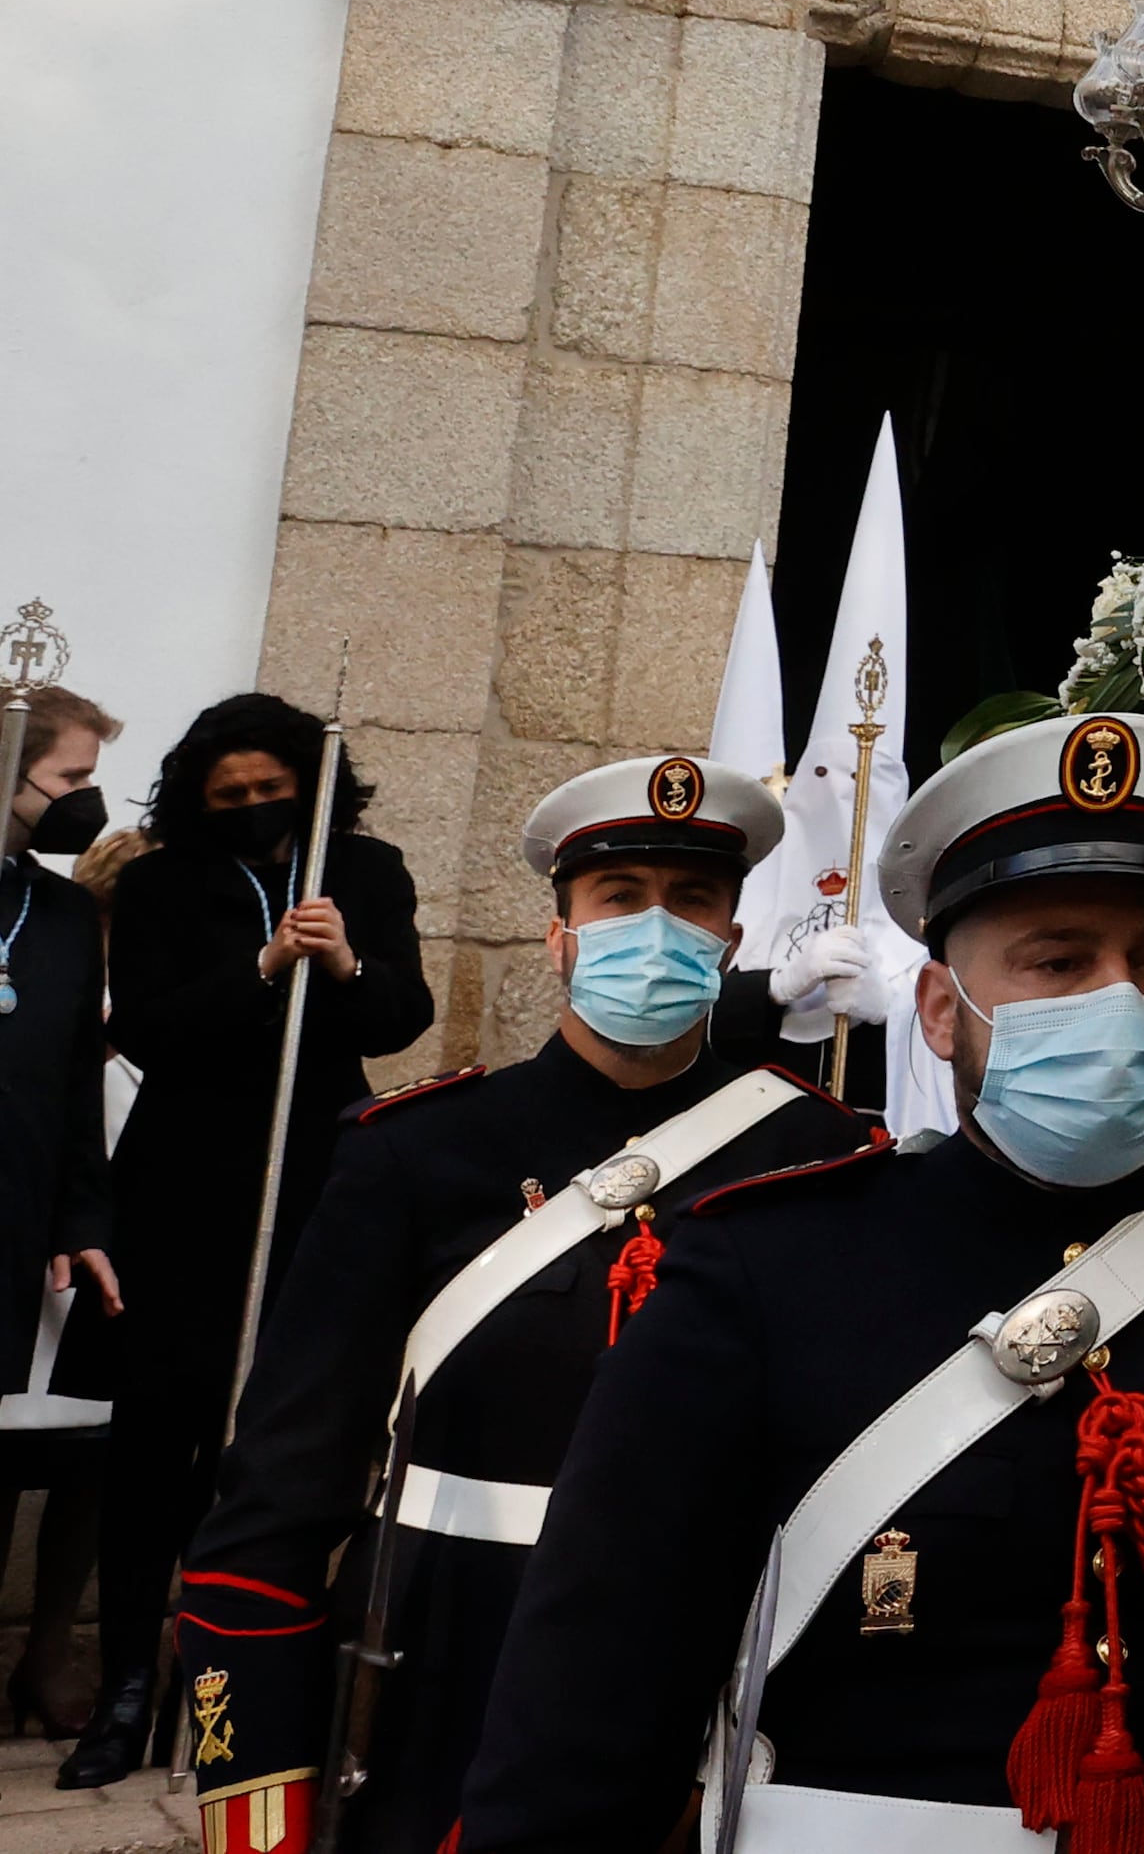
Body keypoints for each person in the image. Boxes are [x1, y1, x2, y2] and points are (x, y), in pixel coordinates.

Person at [456, 711, 1144, 1854]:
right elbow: (592, 1698)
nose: (1119, 999)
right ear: (944, 1011)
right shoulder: (765, 1266)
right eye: (1058, 961)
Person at [166, 753, 873, 1853]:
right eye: (620, 899)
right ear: (561, 939)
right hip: (441, 1657)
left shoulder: (819, 1158)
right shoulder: (418, 1151)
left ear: (731, 944)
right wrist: (259, 1802)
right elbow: (278, 1494)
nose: (658, 927)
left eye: (692, 901)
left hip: (701, 1666)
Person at [62, 705, 432, 1790]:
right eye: (228, 797)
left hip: (319, 1183)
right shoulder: (167, 883)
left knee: (289, 1436)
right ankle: (131, 1683)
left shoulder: (365, 869)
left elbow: (399, 1013)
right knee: (153, 1446)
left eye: (271, 788)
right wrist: (265, 966)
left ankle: (253, 1678)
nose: (253, 810)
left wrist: (347, 965)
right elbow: (146, 1028)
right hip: (185, 1193)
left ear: (313, 786)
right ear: (197, 801)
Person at [0, 688, 117, 1737]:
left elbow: (79, 1079)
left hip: (15, 1223)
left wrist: (81, 1217)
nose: (88, 800)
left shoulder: (66, 912)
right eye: (73, 778)